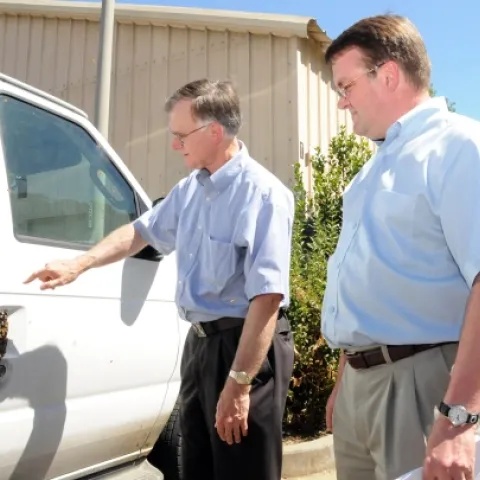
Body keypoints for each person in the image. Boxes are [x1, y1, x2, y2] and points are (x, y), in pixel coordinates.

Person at [24, 79, 295, 480]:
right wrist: (80, 263)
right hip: (200, 345)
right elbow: (139, 233)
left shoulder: (263, 194)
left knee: (242, 471)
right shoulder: (189, 191)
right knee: (196, 469)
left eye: (181, 135)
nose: (174, 144)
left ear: (214, 131)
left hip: (244, 349)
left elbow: (267, 298)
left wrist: (239, 384)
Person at [321, 14, 480, 480]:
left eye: (345, 86)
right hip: (359, 389)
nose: (340, 102)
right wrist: (346, 379)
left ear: (387, 74)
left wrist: (459, 417)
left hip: (421, 386)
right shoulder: (370, 171)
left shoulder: (458, 147)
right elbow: (364, 284)